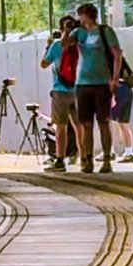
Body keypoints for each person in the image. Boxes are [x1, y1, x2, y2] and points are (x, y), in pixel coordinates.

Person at [63, 3, 122, 174]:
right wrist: (67, 30)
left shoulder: (105, 31)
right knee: (86, 124)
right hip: (82, 83)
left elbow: (117, 54)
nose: (79, 19)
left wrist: (115, 78)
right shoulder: (78, 32)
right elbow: (65, 44)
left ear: (87, 15)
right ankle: (87, 159)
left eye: (81, 15)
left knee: (103, 122)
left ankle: (106, 159)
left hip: (102, 82)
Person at [40, 15, 83, 172]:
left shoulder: (57, 45)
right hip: (78, 90)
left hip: (60, 90)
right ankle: (85, 158)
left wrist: (49, 46)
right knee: (80, 126)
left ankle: (60, 160)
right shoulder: (81, 44)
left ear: (61, 28)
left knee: (61, 127)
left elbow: (44, 64)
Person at [112, 77, 133, 162]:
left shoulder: (106, 64)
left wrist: (112, 95)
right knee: (123, 123)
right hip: (126, 88)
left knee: (110, 122)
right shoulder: (121, 64)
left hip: (116, 89)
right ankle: (129, 152)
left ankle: (110, 152)